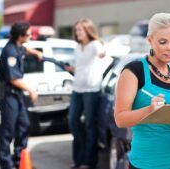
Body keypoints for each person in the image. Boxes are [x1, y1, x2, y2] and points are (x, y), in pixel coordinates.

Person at [114, 13, 170, 169]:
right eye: (163, 42)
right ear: (149, 40)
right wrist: (150, 109)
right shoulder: (134, 71)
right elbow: (120, 119)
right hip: (147, 163)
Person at [0, 21, 42, 169]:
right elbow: (13, 79)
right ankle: (5, 162)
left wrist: (35, 52)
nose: (30, 36)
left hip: (16, 94)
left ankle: (19, 158)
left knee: (24, 125)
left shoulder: (18, 46)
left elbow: (25, 50)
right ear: (20, 36)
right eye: (28, 34)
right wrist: (31, 90)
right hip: (7, 94)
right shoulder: (10, 52)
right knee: (8, 128)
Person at [66, 18, 105, 169]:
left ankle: (89, 162)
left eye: (80, 30)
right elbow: (81, 67)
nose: (77, 33)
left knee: (89, 125)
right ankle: (78, 160)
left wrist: (103, 51)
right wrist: (72, 70)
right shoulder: (78, 47)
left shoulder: (95, 45)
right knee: (73, 122)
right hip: (77, 88)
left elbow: (101, 52)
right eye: (76, 30)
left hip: (91, 90)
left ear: (88, 30)